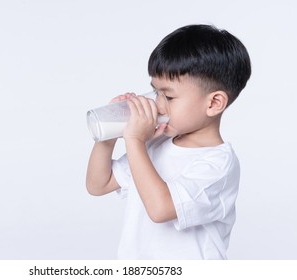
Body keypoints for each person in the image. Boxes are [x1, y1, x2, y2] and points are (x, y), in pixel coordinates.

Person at [86, 24, 251, 259]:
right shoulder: (157, 143)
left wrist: (134, 140)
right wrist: (110, 134)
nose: (159, 104)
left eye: (169, 96)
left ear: (214, 103)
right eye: (156, 92)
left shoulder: (218, 165)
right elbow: (98, 185)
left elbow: (161, 208)